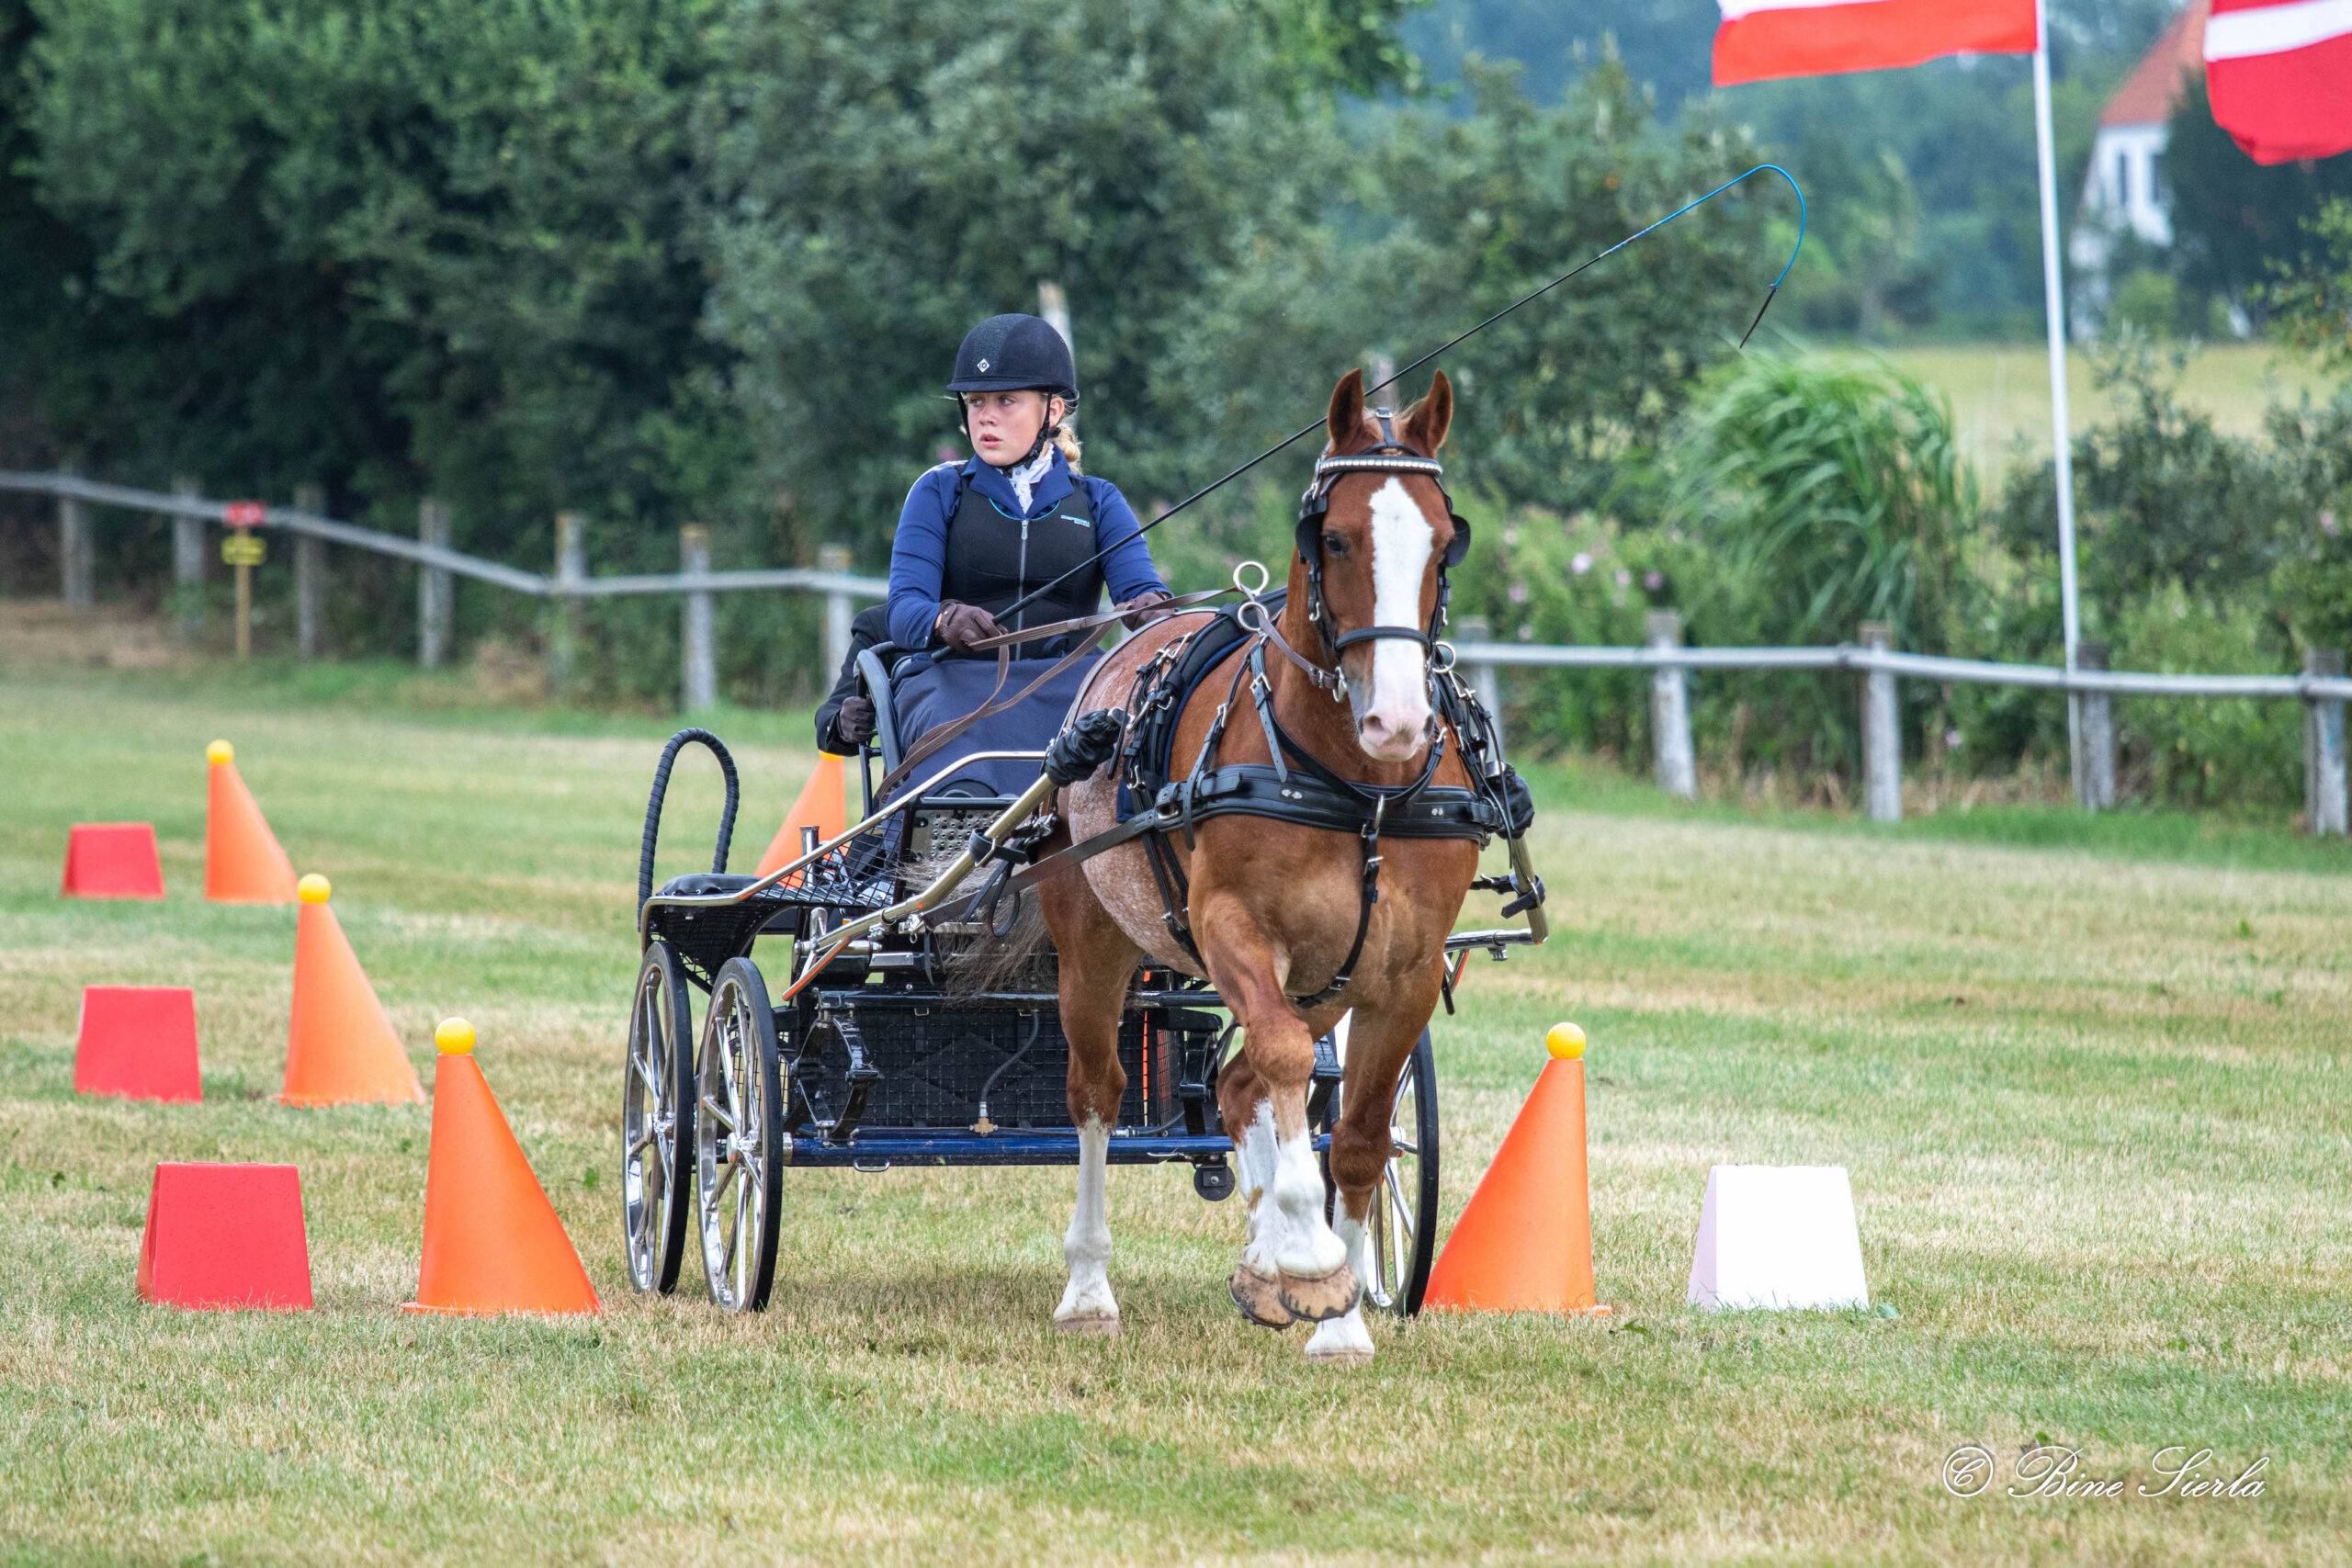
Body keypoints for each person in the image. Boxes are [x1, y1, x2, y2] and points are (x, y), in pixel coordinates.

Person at [871, 312, 1173, 794]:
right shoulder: (939, 491)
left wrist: (1150, 609)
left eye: (1006, 401)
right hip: (957, 681)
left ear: (1052, 411)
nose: (985, 416)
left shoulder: (1098, 500)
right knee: (951, 725)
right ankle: (953, 840)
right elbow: (904, 609)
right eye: (975, 402)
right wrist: (943, 620)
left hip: (1071, 685)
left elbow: (1141, 590)